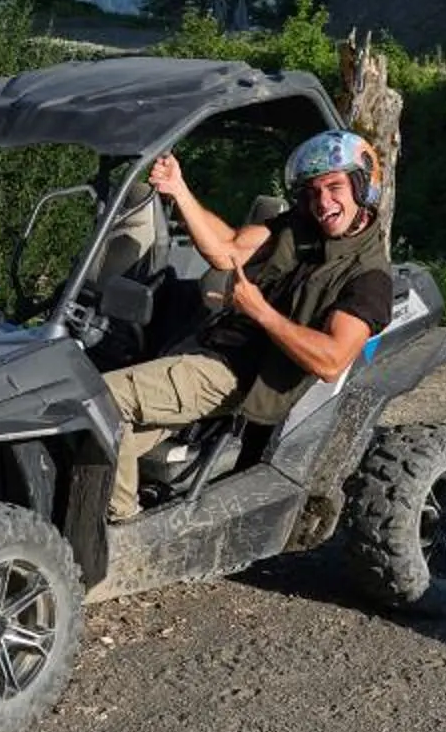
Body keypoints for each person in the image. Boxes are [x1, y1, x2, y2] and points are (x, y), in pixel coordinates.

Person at [104, 129, 394, 523]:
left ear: (363, 188)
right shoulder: (301, 225)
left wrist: (261, 312)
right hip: (207, 346)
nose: (323, 201)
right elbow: (229, 250)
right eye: (312, 191)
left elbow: (331, 361)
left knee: (98, 400)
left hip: (234, 372)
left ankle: (120, 528)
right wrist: (178, 189)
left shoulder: (368, 278)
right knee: (91, 438)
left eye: (334, 187)